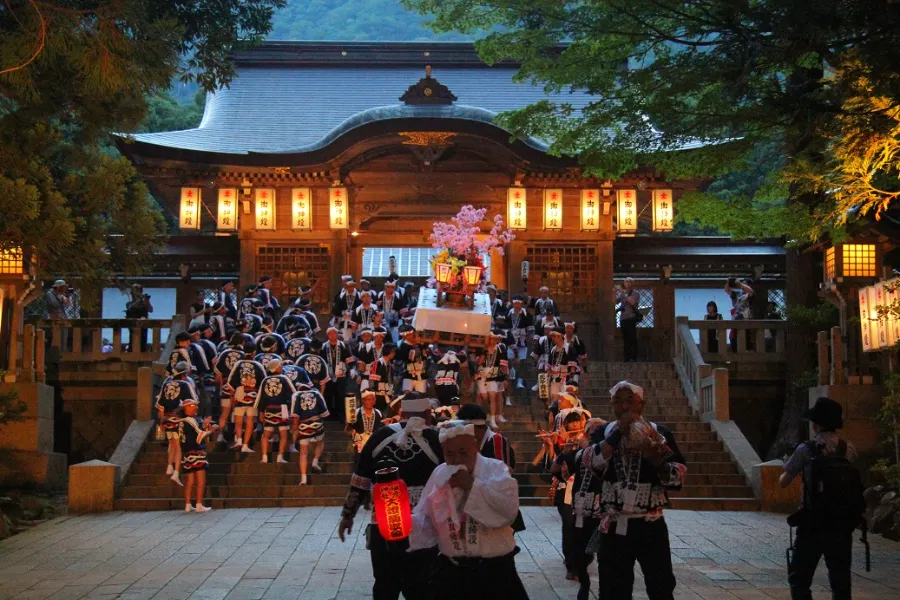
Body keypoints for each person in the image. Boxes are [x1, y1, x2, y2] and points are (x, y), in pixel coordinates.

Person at [582, 381, 687, 600]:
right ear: (612, 406)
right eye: (618, 401)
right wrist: (618, 432)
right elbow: (592, 463)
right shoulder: (604, 432)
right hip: (613, 523)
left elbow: (677, 475)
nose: (624, 407)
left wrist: (654, 454)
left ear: (642, 405)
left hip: (650, 523)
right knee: (612, 589)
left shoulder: (659, 434)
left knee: (661, 585)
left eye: (630, 401)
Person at [338, 394, 443, 600]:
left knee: (386, 584)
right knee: (422, 587)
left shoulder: (379, 436)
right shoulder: (436, 438)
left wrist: (348, 515)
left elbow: (360, 480)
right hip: (425, 525)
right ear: (427, 414)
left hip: (385, 523)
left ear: (401, 413)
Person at [410, 421, 528, 600]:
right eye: (449, 454)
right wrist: (403, 523)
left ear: (475, 447)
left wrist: (471, 485)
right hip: (452, 570)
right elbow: (426, 518)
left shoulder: (496, 469)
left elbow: (508, 512)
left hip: (495, 571)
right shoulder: (440, 473)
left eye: (463, 452)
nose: (456, 459)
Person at [780, 397, 862, 600]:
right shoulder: (848, 449)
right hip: (842, 522)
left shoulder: (805, 449)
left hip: (812, 522)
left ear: (816, 424)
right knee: (841, 580)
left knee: (800, 578)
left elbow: (784, 481)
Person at [154, 362, 197, 486]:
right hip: (178, 418)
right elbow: (193, 401)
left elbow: (160, 406)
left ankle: (169, 466)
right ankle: (176, 472)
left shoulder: (166, 384)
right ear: (184, 374)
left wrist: (161, 422)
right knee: (178, 447)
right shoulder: (185, 384)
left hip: (167, 419)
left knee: (172, 443)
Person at [177, 398, 218, 513]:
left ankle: (188, 504)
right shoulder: (190, 420)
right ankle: (199, 504)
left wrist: (204, 425)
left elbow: (194, 433)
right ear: (186, 408)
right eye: (193, 406)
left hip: (186, 454)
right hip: (196, 454)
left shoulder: (181, 421)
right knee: (201, 481)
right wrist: (212, 430)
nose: (196, 408)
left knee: (189, 481)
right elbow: (200, 436)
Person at [255, 359, 296, 464]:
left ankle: (264, 457)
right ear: (277, 367)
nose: (281, 367)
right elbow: (294, 394)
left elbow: (261, 397)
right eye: (280, 366)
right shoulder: (284, 378)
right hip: (282, 408)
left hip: (269, 408)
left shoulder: (265, 380)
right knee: (283, 434)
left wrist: (261, 412)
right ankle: (280, 457)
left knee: (266, 434)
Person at [291, 377, 330, 484]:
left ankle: (303, 479)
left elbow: (295, 415)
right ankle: (315, 461)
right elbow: (325, 413)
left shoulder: (296, 395)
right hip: (316, 423)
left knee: (303, 453)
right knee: (320, 441)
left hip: (304, 425)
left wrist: (295, 427)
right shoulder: (317, 394)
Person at [224, 354, 266, 452]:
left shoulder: (238, 363)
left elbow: (229, 382)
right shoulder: (258, 364)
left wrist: (232, 395)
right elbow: (264, 381)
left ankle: (239, 440)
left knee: (238, 420)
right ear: (253, 353)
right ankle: (245, 445)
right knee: (250, 421)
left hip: (239, 392)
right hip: (253, 394)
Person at [213, 334, 245, 443]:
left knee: (224, 413)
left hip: (226, 385)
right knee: (238, 413)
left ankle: (220, 436)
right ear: (242, 343)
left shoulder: (224, 353)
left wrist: (221, 386)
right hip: (239, 387)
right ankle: (237, 437)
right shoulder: (243, 355)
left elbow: (218, 373)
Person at [321, 327, 355, 422]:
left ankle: (341, 415)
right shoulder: (324, 346)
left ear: (337, 335)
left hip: (341, 374)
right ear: (328, 335)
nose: (332, 336)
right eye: (330, 334)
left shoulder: (343, 345)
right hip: (328, 375)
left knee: (340, 395)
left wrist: (352, 368)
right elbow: (321, 360)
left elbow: (349, 358)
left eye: (334, 333)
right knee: (329, 395)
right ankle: (329, 415)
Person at [476, 331, 508, 428]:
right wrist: (484, 352)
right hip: (482, 375)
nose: (493, 341)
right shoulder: (482, 349)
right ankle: (479, 416)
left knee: (493, 395)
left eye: (494, 339)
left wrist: (505, 378)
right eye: (491, 339)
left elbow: (504, 364)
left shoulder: (500, 349)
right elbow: (479, 363)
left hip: (495, 376)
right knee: (481, 396)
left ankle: (493, 419)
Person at [347, 390, 384, 464]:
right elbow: (348, 430)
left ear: (375, 400)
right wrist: (349, 429)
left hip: (374, 444)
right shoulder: (355, 413)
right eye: (367, 399)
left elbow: (381, 429)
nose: (370, 401)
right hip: (360, 445)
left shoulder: (378, 413)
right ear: (362, 400)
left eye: (372, 399)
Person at [506, 296, 533, 392]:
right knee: (509, 359)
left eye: (519, 303)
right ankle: (511, 376)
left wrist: (530, 337)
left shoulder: (526, 314)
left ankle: (520, 381)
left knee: (522, 361)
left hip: (522, 339)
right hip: (511, 338)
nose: (517, 305)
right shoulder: (509, 313)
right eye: (515, 303)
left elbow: (530, 327)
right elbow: (506, 325)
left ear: (521, 304)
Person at [616, 278, 641, 362]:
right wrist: (614, 292)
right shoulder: (623, 293)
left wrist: (624, 294)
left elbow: (633, 302)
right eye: (626, 282)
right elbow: (615, 301)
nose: (628, 284)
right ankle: (626, 358)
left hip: (631, 317)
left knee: (632, 338)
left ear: (632, 284)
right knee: (625, 338)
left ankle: (633, 357)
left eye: (630, 282)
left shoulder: (636, 293)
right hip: (623, 318)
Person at [397, 328, 430, 394]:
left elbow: (425, 358)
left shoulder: (421, 345)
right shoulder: (403, 346)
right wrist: (415, 346)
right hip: (408, 375)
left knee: (420, 396)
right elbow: (408, 359)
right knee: (406, 396)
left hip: (421, 375)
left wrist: (420, 346)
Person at [367, 343, 397, 414]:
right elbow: (372, 380)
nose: (394, 354)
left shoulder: (390, 365)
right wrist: (372, 394)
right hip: (378, 394)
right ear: (389, 352)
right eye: (393, 352)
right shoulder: (377, 363)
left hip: (388, 393)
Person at [45, 279, 73, 350]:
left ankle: (63, 353)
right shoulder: (50, 294)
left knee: (63, 339)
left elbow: (69, 304)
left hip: (63, 319)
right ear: (58, 287)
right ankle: (54, 354)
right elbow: (55, 304)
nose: (64, 289)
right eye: (63, 287)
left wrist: (68, 296)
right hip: (55, 318)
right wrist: (60, 297)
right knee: (56, 338)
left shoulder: (61, 295)